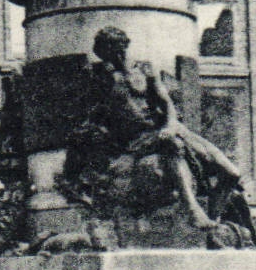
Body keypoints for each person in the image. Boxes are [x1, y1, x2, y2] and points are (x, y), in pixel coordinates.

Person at [79, 27, 244, 230]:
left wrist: (170, 125)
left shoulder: (145, 69)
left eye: (117, 50)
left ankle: (213, 221)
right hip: (139, 139)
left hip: (171, 128)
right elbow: (96, 118)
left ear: (124, 47)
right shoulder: (101, 79)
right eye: (107, 53)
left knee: (232, 173)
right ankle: (193, 210)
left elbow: (166, 103)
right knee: (171, 144)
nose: (115, 56)